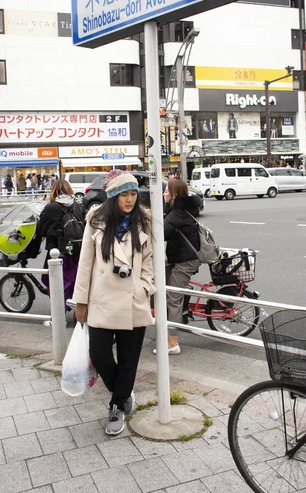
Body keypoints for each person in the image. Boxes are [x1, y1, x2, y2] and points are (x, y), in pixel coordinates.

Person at [73, 170, 155, 436]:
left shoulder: (144, 221)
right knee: (99, 354)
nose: (130, 200)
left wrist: (144, 288)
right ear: (112, 197)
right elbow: (85, 263)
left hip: (133, 301)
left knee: (129, 360)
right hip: (101, 301)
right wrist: (80, 301)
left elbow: (150, 263)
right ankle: (122, 391)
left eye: (133, 194)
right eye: (124, 195)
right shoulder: (95, 222)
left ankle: (117, 405)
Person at [158, 179, 201, 355]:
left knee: (173, 297)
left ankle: (173, 343)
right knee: (160, 284)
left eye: (166, 191)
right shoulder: (180, 208)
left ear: (174, 194)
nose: (163, 193)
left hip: (186, 260)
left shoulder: (177, 214)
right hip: (179, 257)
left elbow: (159, 233)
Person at [37, 179, 84, 312]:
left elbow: (41, 230)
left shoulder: (50, 208)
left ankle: (59, 314)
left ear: (54, 191)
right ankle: (75, 307)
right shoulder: (79, 205)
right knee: (73, 280)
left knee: (55, 282)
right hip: (77, 249)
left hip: (58, 252)